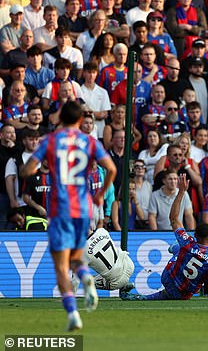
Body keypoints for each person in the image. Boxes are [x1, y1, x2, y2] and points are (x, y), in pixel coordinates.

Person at [20, 101, 117, 331]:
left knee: (61, 265)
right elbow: (112, 169)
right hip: (83, 209)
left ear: (60, 118)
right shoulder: (90, 141)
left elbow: (27, 170)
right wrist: (101, 195)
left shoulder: (51, 141)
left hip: (59, 209)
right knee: (75, 257)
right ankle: (85, 278)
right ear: (81, 120)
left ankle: (73, 313)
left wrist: (30, 170)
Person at [121, 174, 208, 301]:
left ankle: (137, 297)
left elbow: (173, 219)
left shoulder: (188, 242)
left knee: (181, 248)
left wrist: (181, 192)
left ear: (195, 234)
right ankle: (176, 251)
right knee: (184, 254)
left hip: (168, 280)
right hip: (184, 294)